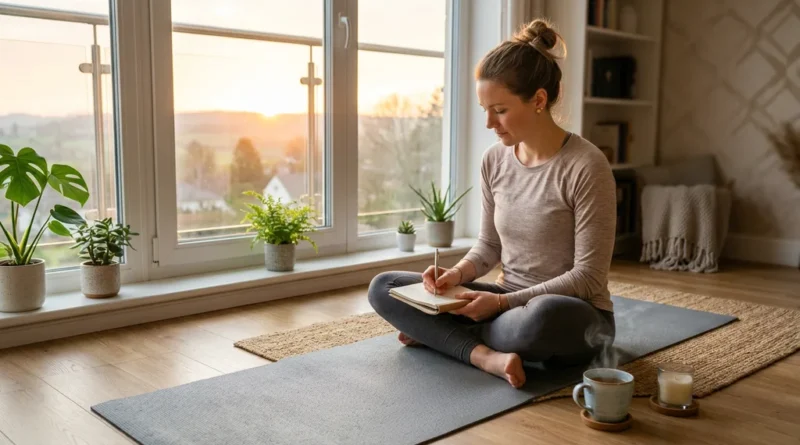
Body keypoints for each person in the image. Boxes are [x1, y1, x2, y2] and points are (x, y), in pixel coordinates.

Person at [367, 19, 617, 389]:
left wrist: (501, 305)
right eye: (485, 109)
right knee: (384, 286)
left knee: (539, 318)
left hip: (572, 313)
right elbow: (489, 246)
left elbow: (588, 278)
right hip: (503, 301)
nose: (489, 123)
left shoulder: (586, 166)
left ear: (539, 100)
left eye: (499, 110)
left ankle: (444, 334)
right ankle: (486, 356)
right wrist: (458, 275)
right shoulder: (494, 160)